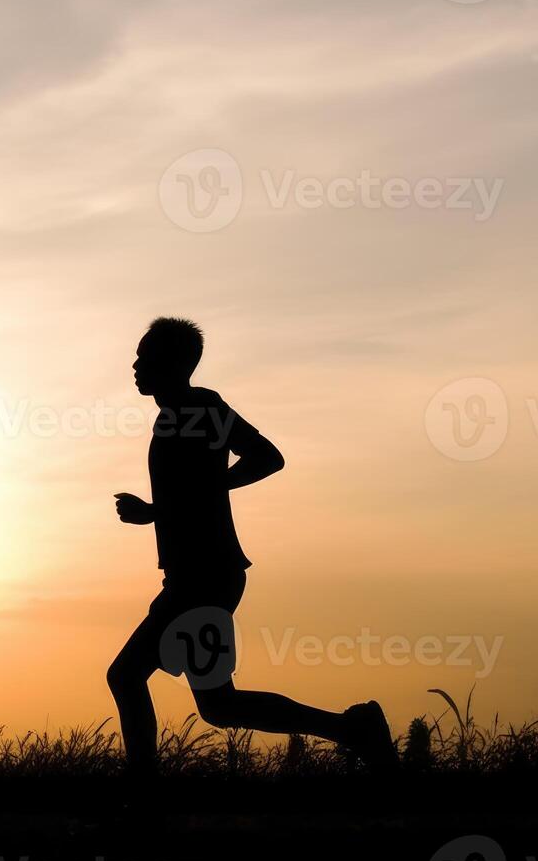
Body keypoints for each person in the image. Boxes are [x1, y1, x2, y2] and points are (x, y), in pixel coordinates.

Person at [108, 317, 396, 776]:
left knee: (126, 677)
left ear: (177, 363)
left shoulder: (201, 410)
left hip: (205, 578)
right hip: (194, 577)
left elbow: (267, 457)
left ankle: (144, 790)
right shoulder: (174, 416)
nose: (136, 364)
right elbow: (193, 494)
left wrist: (164, 508)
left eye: (146, 356)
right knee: (219, 706)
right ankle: (352, 729)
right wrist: (161, 510)